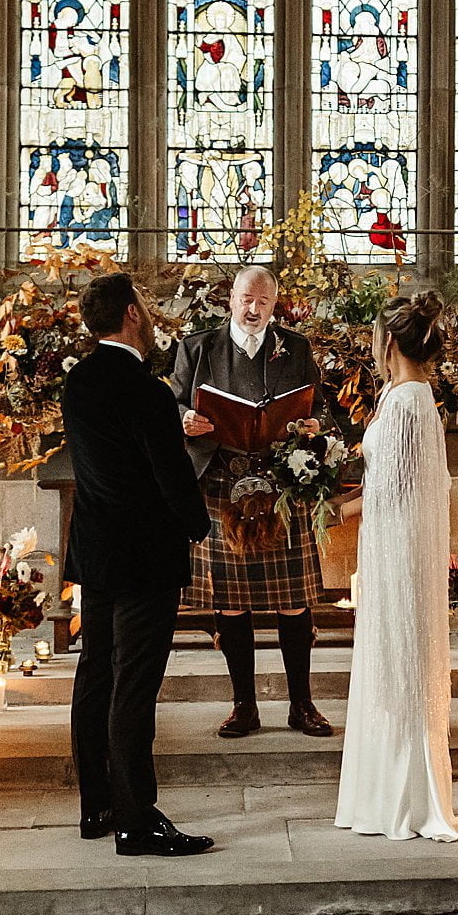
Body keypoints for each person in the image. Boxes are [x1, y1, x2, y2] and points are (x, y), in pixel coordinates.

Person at [60, 273, 216, 856]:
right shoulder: (146, 390)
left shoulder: (77, 383)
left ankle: (96, 805)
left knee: (96, 674)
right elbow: (170, 476)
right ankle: (137, 817)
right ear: (130, 314)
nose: (151, 316)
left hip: (97, 549)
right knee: (135, 685)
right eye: (145, 308)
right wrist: (198, 527)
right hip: (145, 556)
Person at [332, 295, 458, 842]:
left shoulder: (407, 403)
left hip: (396, 550)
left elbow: (391, 493)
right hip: (392, 544)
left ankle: (404, 799)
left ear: (390, 343)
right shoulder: (408, 397)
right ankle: (386, 790)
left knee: (398, 662)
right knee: (392, 660)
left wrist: (332, 509)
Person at [171, 266, 336, 738]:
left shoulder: (296, 348)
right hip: (221, 485)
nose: (253, 309)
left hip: (281, 485)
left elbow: (320, 408)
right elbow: (173, 404)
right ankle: (244, 706)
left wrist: (312, 426)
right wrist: (185, 419)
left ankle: (301, 705)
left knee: (294, 601)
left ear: (274, 304)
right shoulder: (197, 347)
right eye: (246, 299)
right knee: (231, 603)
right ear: (231, 298)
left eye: (263, 302)